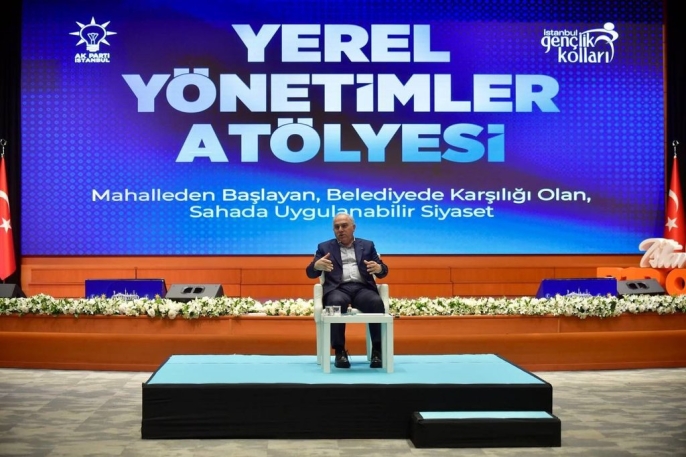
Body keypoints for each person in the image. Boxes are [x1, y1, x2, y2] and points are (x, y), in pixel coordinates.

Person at [306, 213, 389, 369]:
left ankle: (377, 350)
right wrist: (316, 266)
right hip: (337, 289)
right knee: (334, 303)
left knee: (376, 303)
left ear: (353, 228)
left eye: (344, 226)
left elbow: (383, 271)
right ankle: (339, 351)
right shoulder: (324, 247)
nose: (340, 230)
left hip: (362, 288)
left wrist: (379, 268)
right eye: (336, 227)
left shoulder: (368, 245)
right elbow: (310, 273)